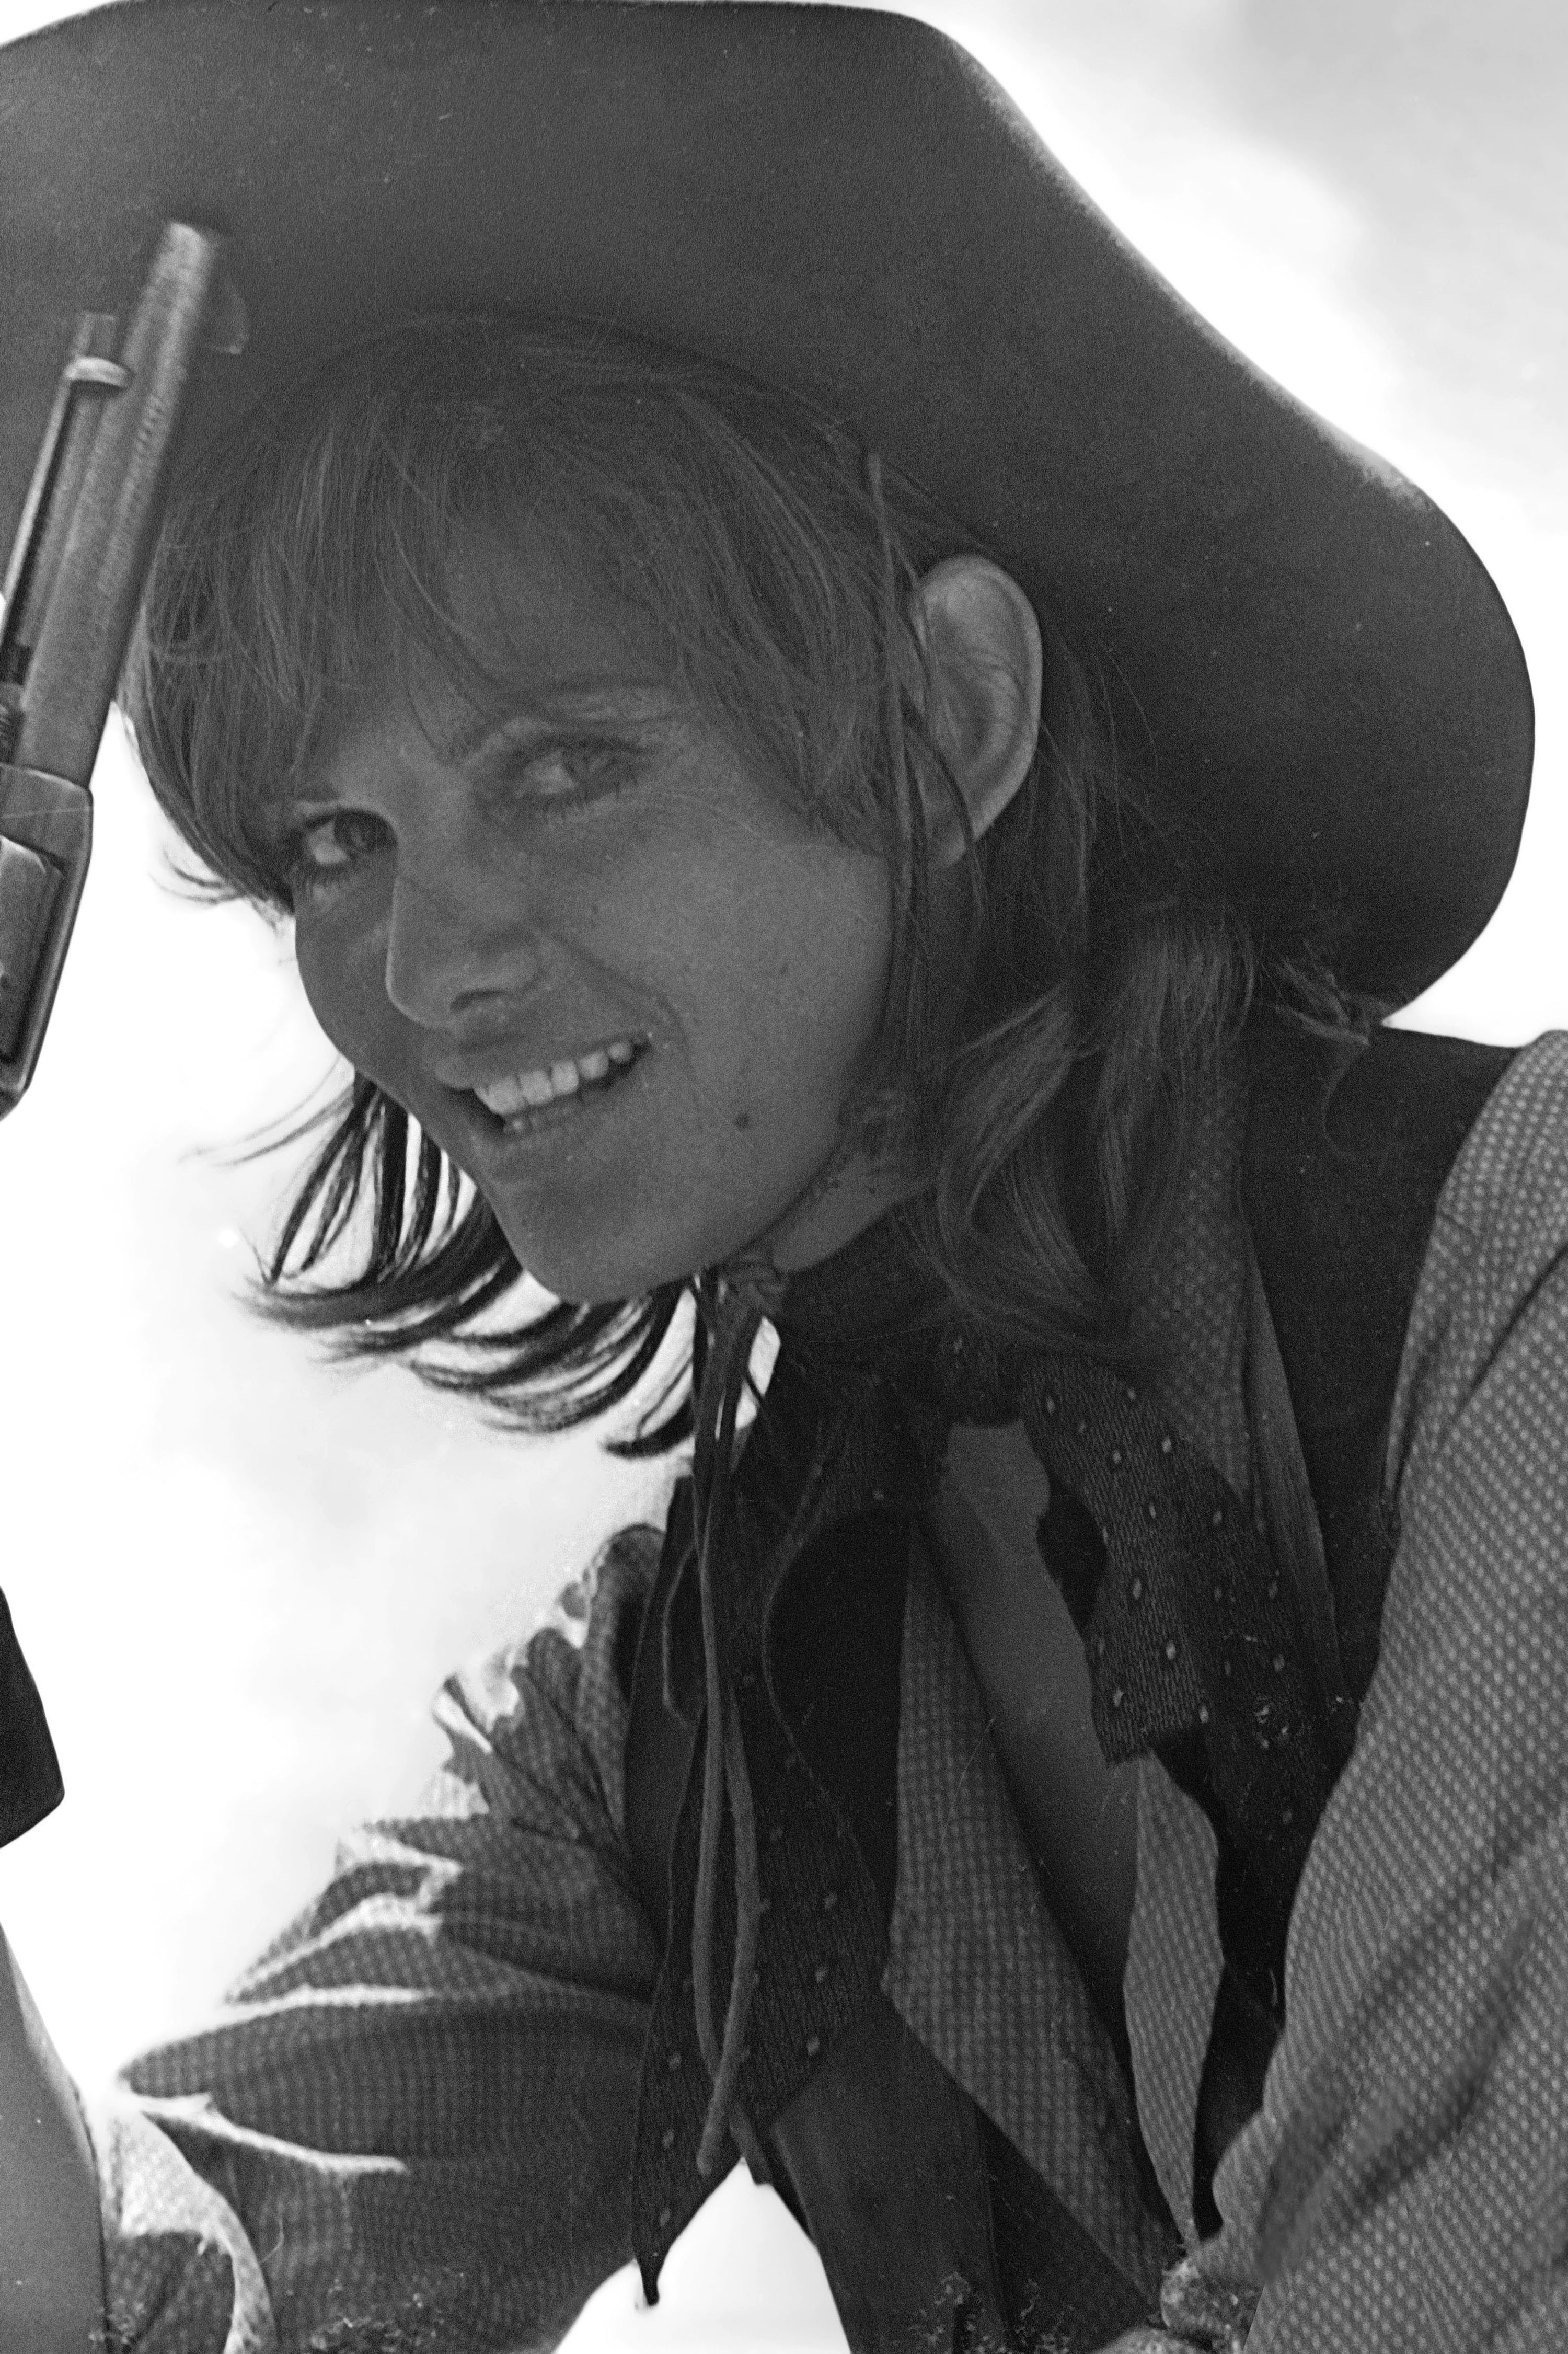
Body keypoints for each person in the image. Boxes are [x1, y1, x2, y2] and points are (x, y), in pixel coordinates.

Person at [1, 5, 1561, 2351]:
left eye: (561, 769)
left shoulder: (1525, 1278)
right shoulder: (684, 1706)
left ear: (948, 716)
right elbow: (126, 2318)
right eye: (336, 841)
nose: (424, 964)